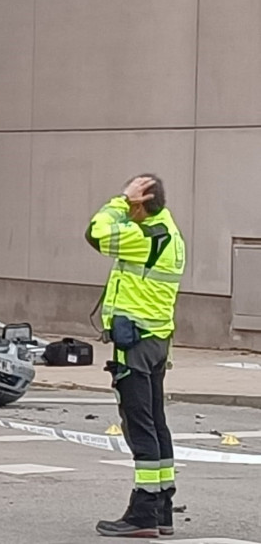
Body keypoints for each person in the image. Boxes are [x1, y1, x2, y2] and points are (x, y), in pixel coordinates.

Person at [86, 175, 186, 538]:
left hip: (137, 343)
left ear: (141, 204)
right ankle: (162, 509)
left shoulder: (143, 236)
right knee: (156, 423)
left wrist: (118, 201)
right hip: (157, 340)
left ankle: (143, 512)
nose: (126, 211)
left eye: (131, 205)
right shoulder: (168, 233)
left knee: (140, 425)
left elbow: (95, 234)